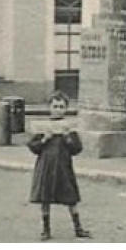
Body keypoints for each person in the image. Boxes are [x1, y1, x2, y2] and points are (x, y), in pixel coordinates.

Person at [27, 92, 89, 240]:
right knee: (45, 197)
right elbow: (33, 146)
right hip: (46, 167)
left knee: (70, 196)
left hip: (63, 167)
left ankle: (78, 227)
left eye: (61, 107)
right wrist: (44, 140)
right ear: (49, 107)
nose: (58, 109)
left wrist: (68, 138)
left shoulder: (69, 129)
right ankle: (46, 229)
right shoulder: (43, 128)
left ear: (66, 109)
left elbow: (77, 149)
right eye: (55, 106)